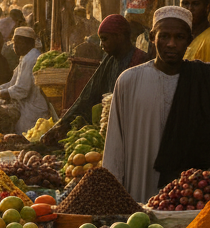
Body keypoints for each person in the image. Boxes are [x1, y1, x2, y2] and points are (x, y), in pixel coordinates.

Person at [103, 6, 210, 203]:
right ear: (152, 37)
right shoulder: (128, 81)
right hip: (138, 190)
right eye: (164, 36)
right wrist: (112, 196)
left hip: (187, 197)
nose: (171, 44)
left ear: (189, 40)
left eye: (179, 37)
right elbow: (114, 144)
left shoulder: (202, 82)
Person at [44, 15, 151, 144]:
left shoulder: (141, 60)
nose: (101, 45)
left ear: (119, 37)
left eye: (104, 39)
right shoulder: (110, 60)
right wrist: (63, 123)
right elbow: (88, 95)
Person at [0, 27, 49, 135]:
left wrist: (1, 93)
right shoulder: (25, 57)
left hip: (33, 109)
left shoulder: (30, 58)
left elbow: (21, 90)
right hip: (27, 105)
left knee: (26, 136)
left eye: (19, 43)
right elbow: (13, 82)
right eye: (14, 43)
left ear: (29, 43)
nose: (15, 46)